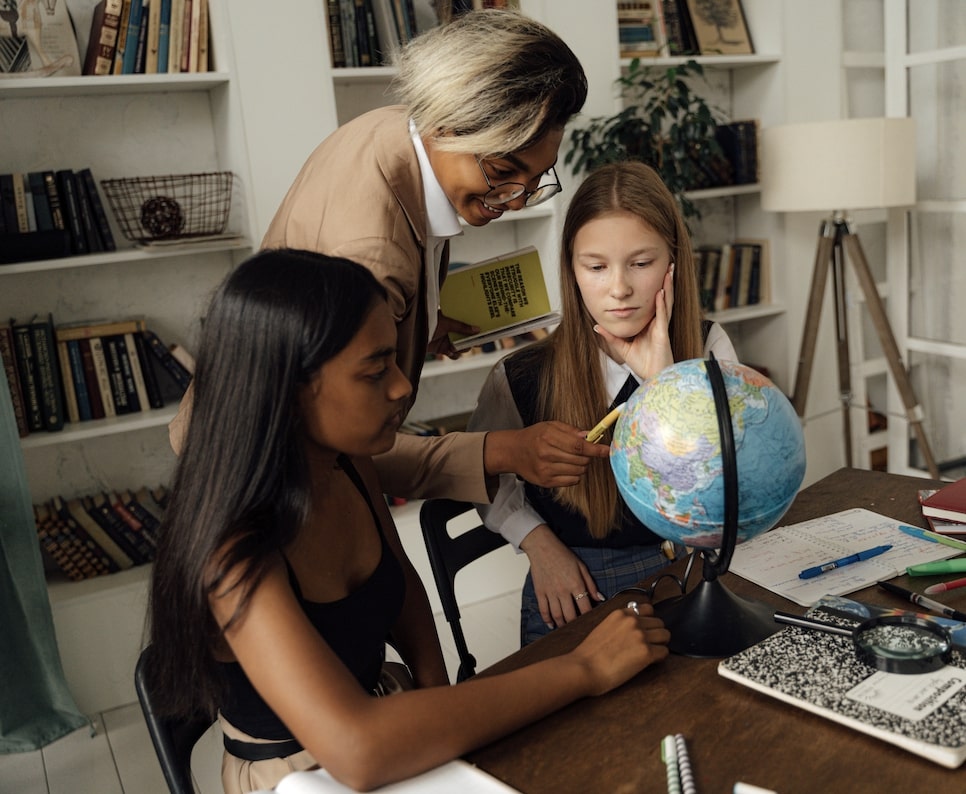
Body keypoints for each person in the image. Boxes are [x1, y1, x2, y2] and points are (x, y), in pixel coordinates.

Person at [146, 248, 670, 794]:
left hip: (386, 722)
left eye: (395, 361)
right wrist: (583, 669)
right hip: (299, 776)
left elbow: (403, 593)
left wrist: (437, 702)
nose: (401, 388)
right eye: (375, 371)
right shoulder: (232, 554)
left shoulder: (349, 466)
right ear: (288, 392)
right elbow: (358, 749)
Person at [242, 9, 609, 503]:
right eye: (503, 170)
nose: (519, 199)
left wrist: (416, 322)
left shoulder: (395, 131)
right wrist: (505, 450)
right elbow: (337, 445)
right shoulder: (372, 259)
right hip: (278, 486)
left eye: (538, 176)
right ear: (446, 124)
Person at [468, 161, 739, 645]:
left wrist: (663, 381)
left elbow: (725, 487)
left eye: (641, 263)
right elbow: (482, 476)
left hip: (695, 570)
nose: (619, 289)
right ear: (571, 271)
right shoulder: (518, 374)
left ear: (673, 262)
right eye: (595, 267)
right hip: (578, 585)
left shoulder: (708, 346)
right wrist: (539, 545)